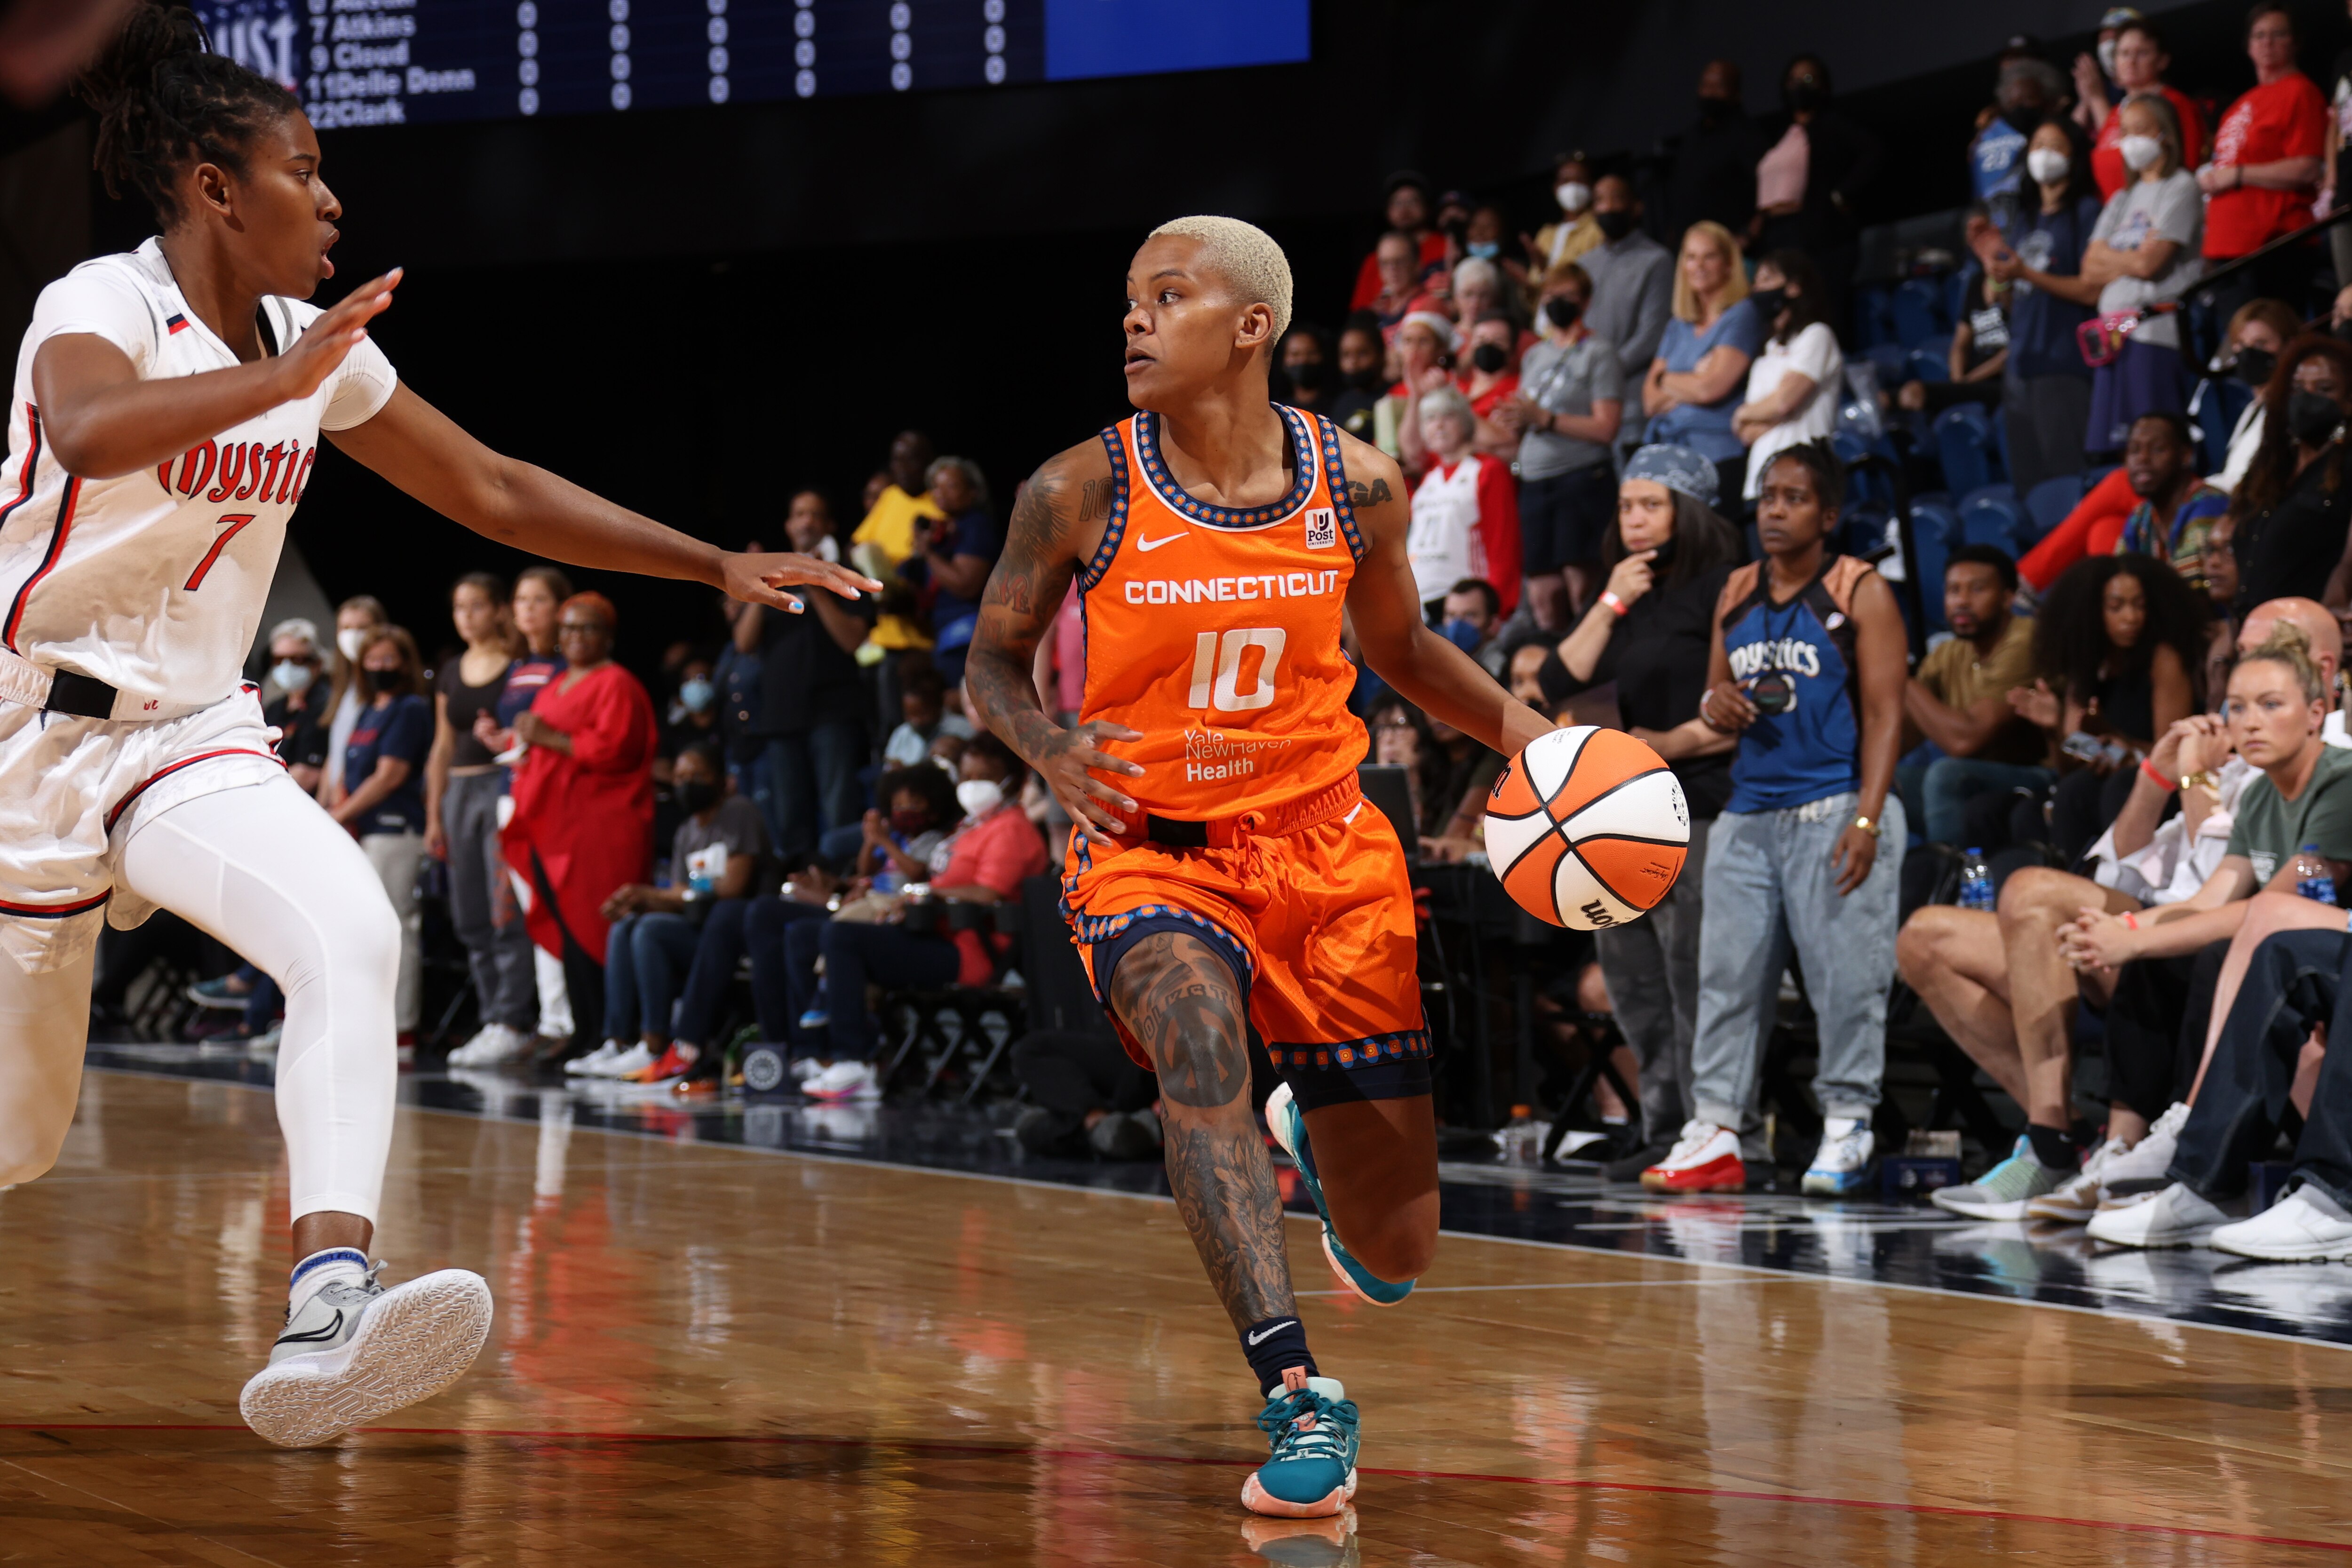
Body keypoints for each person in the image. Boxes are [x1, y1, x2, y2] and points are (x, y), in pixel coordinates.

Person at [3, 0, 918, 1443]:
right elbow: (89, 430)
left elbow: (492, 489)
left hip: (190, 733)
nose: (335, 196)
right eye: (306, 168)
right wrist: (285, 382)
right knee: (15, 1138)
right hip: (29, 749)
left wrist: (714, 560)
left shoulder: (312, 343)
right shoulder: (103, 305)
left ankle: (325, 1310)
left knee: (352, 934)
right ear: (214, 190)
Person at [962, 215, 1558, 1519]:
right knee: (1196, 1048)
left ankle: (1321, 1148)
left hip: (1331, 853)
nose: (1132, 319)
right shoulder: (1080, 488)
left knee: (1399, 1252)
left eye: (1164, 297)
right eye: (1128, 300)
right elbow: (991, 661)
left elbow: (1403, 653)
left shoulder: (1362, 484)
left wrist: (1543, 743)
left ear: (1250, 328)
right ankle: (1298, 1389)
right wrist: (1050, 745)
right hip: (1151, 855)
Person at [1899, 601, 2341, 1219]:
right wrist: (2156, 780)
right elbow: (2123, 865)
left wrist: (2193, 786)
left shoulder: (2323, 752)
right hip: (2176, 916)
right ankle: (2060, 1140)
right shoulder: (2243, 747)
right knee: (1930, 933)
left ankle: (2129, 1145)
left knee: (2053, 899)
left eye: (2266, 654)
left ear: (2320, 673)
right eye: (2240, 659)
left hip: (2243, 943)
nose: (2246, 674)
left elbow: (2244, 895)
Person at [1641, 443, 1907, 1197]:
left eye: (1794, 498)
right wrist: (1709, 706)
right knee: (1725, 980)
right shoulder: (1736, 591)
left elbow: (1888, 713)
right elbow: (1720, 705)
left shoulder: (1860, 590)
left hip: (1835, 807)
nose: (1776, 510)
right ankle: (1719, 1128)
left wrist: (1868, 818)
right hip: (1748, 812)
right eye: (1767, 497)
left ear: (1828, 515)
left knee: (1845, 982)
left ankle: (1849, 1123)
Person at [1545, 446, 1743, 1178]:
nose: (1634, 520)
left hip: (1699, 807)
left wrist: (1662, 742)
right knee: (1633, 983)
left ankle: (1709, 1126)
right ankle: (1663, 1127)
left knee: (1692, 979)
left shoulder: (1723, 587)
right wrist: (1610, 600)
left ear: (1688, 510)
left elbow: (1734, 708)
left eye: (1651, 505)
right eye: (1627, 506)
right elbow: (1560, 677)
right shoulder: (1628, 594)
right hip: (1621, 821)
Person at [788, 734, 1046, 1103]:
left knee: (843, 937)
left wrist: (927, 893)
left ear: (1012, 781)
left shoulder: (1013, 830)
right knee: (803, 934)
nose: (972, 784)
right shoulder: (971, 826)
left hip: (971, 951)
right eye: (967, 775)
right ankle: (817, 1051)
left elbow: (988, 894)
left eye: (984, 776)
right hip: (933, 933)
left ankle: (856, 1061)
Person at [500, 595, 659, 1051]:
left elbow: (615, 750)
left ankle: (616, 1035)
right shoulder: (556, 685)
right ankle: (585, 1032)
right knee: (570, 932)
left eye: (586, 629)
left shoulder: (617, 684)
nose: (574, 637)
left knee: (601, 928)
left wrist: (547, 736)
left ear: (607, 636)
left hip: (600, 826)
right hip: (553, 825)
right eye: (567, 629)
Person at [567, 741, 770, 1084]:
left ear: (720, 779)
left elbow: (733, 886)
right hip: (696, 927)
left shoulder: (739, 812)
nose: (687, 783)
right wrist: (639, 897)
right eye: (680, 777)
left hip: (729, 935)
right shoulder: (686, 831)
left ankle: (654, 1043)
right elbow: (678, 893)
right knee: (628, 924)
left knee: (650, 930)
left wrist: (655, 895)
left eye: (697, 775)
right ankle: (616, 1041)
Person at [423, 572, 536, 1066]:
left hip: (500, 786)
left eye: (476, 606)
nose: (466, 617)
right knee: (469, 914)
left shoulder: (518, 664)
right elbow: (442, 746)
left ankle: (514, 1019)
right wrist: (434, 812)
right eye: (458, 608)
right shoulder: (451, 671)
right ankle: (493, 1017)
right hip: (459, 792)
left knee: (503, 909)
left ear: (497, 610)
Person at [739, 489, 871, 864]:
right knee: (789, 814)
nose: (807, 521)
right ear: (788, 524)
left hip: (833, 712)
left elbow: (852, 640)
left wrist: (817, 581)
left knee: (838, 808)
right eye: (800, 514)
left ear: (829, 525)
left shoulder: (848, 569)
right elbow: (744, 643)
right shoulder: (773, 575)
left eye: (815, 515)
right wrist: (761, 585)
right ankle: (799, 884)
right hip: (781, 715)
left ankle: (842, 883)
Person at [471, 562, 573, 1046]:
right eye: (521, 601)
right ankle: (548, 1019)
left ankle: (567, 1020)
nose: (527, 610)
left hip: (554, 801)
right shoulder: (517, 667)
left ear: (561, 608)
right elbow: (522, 733)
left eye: (539, 600)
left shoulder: (569, 667)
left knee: (557, 908)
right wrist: (499, 738)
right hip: (512, 794)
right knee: (524, 912)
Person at [1494, 261, 1622, 628]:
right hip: (1535, 483)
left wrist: (1545, 419)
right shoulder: (1536, 355)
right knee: (1542, 590)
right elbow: (1525, 412)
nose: (1556, 303)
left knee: (1582, 584)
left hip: (1581, 478)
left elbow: (1606, 427)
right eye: (1549, 296)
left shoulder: (1599, 352)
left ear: (1584, 302)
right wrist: (1512, 420)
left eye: (1566, 296)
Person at [1896, 547, 2048, 846]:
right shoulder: (1949, 653)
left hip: (2038, 778)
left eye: (1977, 589)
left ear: (2007, 598)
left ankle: (1954, 882)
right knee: (1882, 781)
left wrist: (1900, 677)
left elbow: (1965, 740)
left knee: (1946, 775)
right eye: (1953, 590)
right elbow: (1904, 735)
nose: (1962, 601)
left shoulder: (2026, 640)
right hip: (1976, 783)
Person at [1986, 114, 2105, 492]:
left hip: (2063, 363)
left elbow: (2092, 290)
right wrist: (1996, 276)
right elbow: (2008, 299)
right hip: (2021, 366)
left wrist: (2026, 274)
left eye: (2055, 147)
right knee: (2030, 483)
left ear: (2074, 157)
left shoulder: (2086, 213)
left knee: (2066, 478)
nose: (2044, 155)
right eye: (2038, 146)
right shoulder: (2024, 218)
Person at [2082, 91, 2204, 457]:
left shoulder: (2181, 186)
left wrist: (2116, 256)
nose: (2130, 141)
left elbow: (2152, 266)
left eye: (2141, 130)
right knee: (2119, 453)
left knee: (2155, 449)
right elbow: (2089, 268)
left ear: (2163, 134)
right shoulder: (2122, 197)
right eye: (2125, 131)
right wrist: (2132, 256)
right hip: (2112, 336)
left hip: (2154, 334)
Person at [2199, 2, 2326, 327]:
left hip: (2274, 246)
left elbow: (2308, 167)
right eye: (2260, 36)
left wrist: (2238, 175)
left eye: (2278, 34)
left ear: (2295, 42)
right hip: (2226, 248)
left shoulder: (2301, 91)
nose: (2267, 43)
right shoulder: (2240, 103)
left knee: (2270, 350)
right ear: (2249, 45)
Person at [1750, 53, 1882, 327]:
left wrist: (1842, 194)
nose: (1799, 85)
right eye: (1793, 80)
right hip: (1778, 233)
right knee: (1780, 312)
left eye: (1807, 79)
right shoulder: (1779, 132)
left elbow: (1872, 152)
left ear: (1823, 87)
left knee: (1818, 308)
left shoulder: (1833, 125)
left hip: (1818, 235)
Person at [1642, 221, 1762, 502]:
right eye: (1691, 257)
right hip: (1671, 456)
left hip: (1718, 455)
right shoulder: (1678, 325)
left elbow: (1710, 388)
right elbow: (1649, 401)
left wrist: (1665, 380)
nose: (1699, 266)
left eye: (1710, 257)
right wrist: (1690, 382)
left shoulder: (1742, 314)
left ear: (1729, 264)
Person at [2245, 336, 2352, 618]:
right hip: (2252, 632)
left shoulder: (2347, 466)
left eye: (2324, 389)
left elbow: (2347, 566)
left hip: (2307, 633)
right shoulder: (2270, 469)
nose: (2307, 397)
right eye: (2297, 388)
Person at [1731, 250, 1841, 505]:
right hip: (1758, 485)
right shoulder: (1765, 352)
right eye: (1756, 282)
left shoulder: (1816, 336)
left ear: (1793, 287)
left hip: (1804, 481)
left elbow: (1784, 402)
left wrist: (1743, 413)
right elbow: (1746, 433)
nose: (1758, 289)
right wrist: (1762, 414)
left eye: (1768, 279)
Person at [1405, 386, 1520, 618]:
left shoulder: (1488, 471)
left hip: (1466, 606)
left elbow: (1503, 542)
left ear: (1466, 422)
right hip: (1421, 604)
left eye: (1448, 416)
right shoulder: (1429, 479)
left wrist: (1498, 608)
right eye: (1430, 419)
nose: (1438, 425)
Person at [2082, 18, 2206, 200]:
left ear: (2162, 61)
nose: (2131, 62)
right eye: (2124, 54)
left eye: (2142, 53)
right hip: (2116, 214)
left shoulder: (2175, 103)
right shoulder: (2116, 112)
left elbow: (2189, 162)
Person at [2114, 412, 2228, 597]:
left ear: (2185, 455)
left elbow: (2192, 594)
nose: (2142, 459)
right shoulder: (2141, 517)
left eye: (2158, 449)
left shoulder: (2209, 506)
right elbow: (2118, 585)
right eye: (2134, 450)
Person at [1578, 173, 1674, 383]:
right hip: (1584, 384)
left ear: (1637, 207)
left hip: (1630, 387)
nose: (1608, 208)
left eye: (1617, 198)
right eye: (1600, 200)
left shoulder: (1656, 260)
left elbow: (1652, 334)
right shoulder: (1584, 264)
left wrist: (1606, 372)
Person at [911, 455, 998, 685]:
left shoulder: (976, 525)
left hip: (967, 636)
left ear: (973, 491)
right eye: (936, 486)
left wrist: (928, 553)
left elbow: (965, 584)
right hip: (946, 636)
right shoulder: (945, 532)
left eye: (950, 486)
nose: (940, 492)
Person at [1663, 61, 1764, 242]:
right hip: (1688, 245)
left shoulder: (1747, 135)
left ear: (1736, 93)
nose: (1709, 93)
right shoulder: (1692, 135)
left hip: (1727, 246)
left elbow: (1765, 187)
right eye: (1705, 86)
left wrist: (1749, 234)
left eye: (1718, 87)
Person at [1971, 54, 2066, 238]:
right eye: (2016, 101)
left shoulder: (2048, 131)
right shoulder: (1984, 136)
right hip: (1993, 231)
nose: (2022, 106)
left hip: (2037, 230)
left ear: (2047, 101)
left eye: (2029, 99)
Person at [2211, 298, 2299, 495]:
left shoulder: (2291, 407)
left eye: (2261, 344)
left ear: (2289, 346)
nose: (2248, 354)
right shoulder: (2253, 409)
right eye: (2241, 345)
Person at [317, 592, 383, 804]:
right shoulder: (345, 686)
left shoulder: (385, 689)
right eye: (346, 628)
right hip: (340, 805)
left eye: (362, 628)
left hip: (364, 804)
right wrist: (321, 806)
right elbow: (336, 752)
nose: (353, 635)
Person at [1349, 171, 1445, 314]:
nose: (1404, 209)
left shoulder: (1446, 247)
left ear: (1427, 207)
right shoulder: (1373, 260)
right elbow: (1359, 312)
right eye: (1397, 202)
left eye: (1413, 201)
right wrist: (1373, 313)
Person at [849, 429, 945, 570]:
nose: (902, 468)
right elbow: (856, 543)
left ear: (929, 462)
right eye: (897, 460)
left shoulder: (941, 502)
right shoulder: (891, 494)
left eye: (911, 460)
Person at [259, 618, 328, 794]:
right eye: (279, 660)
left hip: (296, 800)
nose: (286, 667)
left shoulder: (325, 705)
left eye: (297, 659)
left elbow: (309, 773)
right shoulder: (275, 707)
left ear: (316, 663)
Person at [1527, 151, 1601, 273]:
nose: (1573, 186)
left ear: (1591, 186)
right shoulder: (1545, 235)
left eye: (1580, 180)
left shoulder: (1597, 228)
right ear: (1556, 188)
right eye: (1566, 181)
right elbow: (1535, 279)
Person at [1326, 316, 1385, 443]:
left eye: (1362, 353)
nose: (1353, 362)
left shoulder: (1392, 396)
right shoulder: (1341, 403)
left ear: (1381, 354)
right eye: (1346, 354)